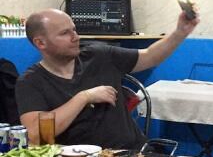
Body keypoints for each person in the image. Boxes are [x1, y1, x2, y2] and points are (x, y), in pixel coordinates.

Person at [15, 8, 199, 149]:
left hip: (134, 155)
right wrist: (84, 97)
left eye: (74, 30)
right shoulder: (31, 82)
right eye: (65, 33)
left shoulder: (98, 55)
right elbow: (37, 135)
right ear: (41, 43)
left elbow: (150, 56)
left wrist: (180, 32)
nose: (75, 37)